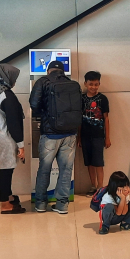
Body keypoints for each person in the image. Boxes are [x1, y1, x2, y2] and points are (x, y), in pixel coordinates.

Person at [29, 60, 82, 214]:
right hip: (70, 133)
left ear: (48, 71)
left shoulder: (42, 82)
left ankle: (40, 204)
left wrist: (44, 116)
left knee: (44, 169)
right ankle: (62, 205)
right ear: (63, 71)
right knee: (66, 169)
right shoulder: (73, 84)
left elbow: (34, 104)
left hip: (50, 134)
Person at [0, 64, 26, 214]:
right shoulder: (7, 95)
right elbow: (14, 122)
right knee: (6, 171)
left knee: (5, 169)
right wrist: (21, 145)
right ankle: (5, 204)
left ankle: (8, 196)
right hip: (5, 138)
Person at [78, 71, 111, 197]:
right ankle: (93, 186)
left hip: (98, 136)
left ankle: (100, 187)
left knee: (98, 162)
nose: (93, 87)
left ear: (99, 84)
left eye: (96, 84)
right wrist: (79, 137)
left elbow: (106, 118)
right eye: (91, 84)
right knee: (89, 163)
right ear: (85, 84)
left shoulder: (103, 99)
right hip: (85, 135)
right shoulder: (81, 98)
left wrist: (107, 137)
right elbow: (79, 119)